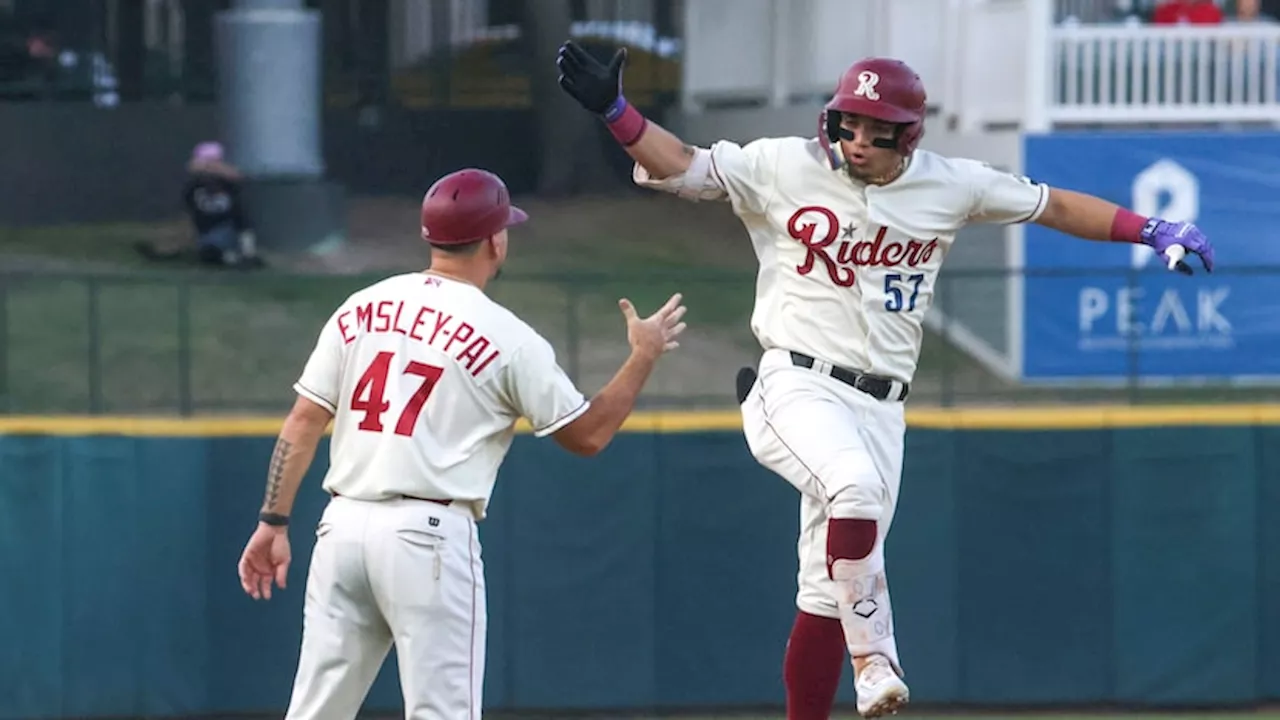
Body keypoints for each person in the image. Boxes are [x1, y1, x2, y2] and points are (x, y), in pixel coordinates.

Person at [555, 43, 1215, 719]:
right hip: (796, 382)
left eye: (877, 130)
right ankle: (873, 660)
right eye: (848, 124)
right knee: (855, 488)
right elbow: (682, 166)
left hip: (882, 411)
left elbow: (1052, 207)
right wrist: (616, 112)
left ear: (909, 134)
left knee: (822, 592)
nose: (858, 140)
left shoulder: (950, 184)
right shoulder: (784, 165)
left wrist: (1150, 227)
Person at [235, 167, 688, 720]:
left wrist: (272, 521)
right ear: (496, 241)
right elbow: (588, 435)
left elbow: (304, 420)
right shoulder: (508, 336)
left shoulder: (361, 306)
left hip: (342, 528)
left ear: (432, 237)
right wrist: (642, 357)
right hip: (427, 536)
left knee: (315, 712)